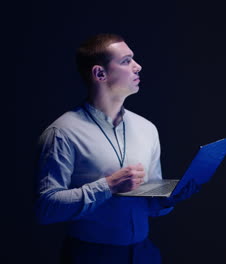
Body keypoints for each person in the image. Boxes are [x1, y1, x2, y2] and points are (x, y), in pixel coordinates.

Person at [35, 33, 199, 264]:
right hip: (90, 256)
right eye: (126, 61)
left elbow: (149, 205)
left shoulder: (147, 128)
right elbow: (45, 208)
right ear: (99, 73)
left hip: (145, 254)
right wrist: (108, 185)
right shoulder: (62, 132)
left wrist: (167, 199)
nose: (138, 66)